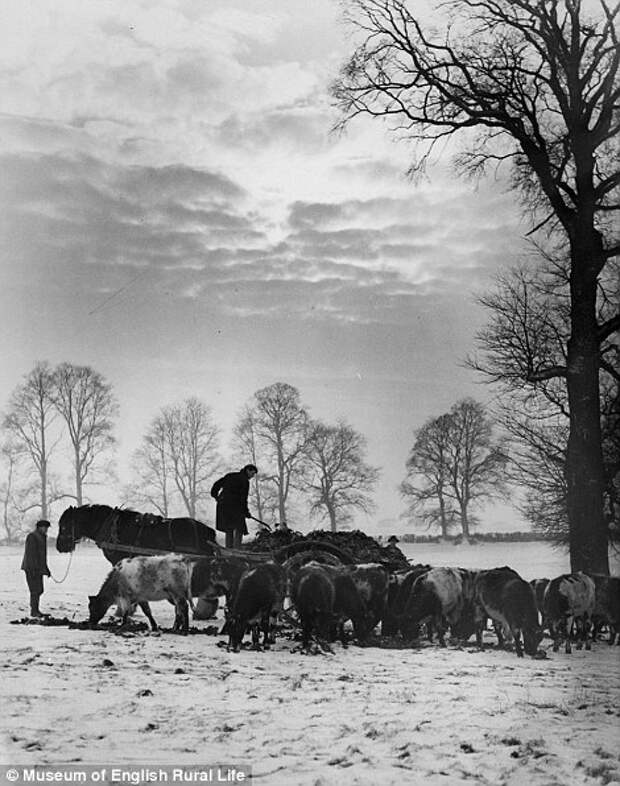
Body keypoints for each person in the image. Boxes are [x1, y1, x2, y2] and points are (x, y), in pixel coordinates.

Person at [210, 464, 258, 549]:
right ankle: (236, 550)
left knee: (229, 529)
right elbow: (243, 499)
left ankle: (229, 549)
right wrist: (246, 512)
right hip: (235, 508)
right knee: (239, 528)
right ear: (248, 470)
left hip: (223, 506)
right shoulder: (244, 481)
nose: (252, 476)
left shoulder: (230, 476)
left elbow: (216, 485)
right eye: (252, 473)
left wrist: (216, 496)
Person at [21, 519, 52, 617]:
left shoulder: (42, 537)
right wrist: (33, 569)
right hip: (31, 568)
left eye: (47, 528)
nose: (46, 530)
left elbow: (42, 556)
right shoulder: (32, 536)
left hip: (38, 568)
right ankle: (34, 611)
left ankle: (35, 610)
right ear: (39, 527)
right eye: (45, 527)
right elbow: (30, 554)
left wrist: (46, 569)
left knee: (39, 589)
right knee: (35, 590)